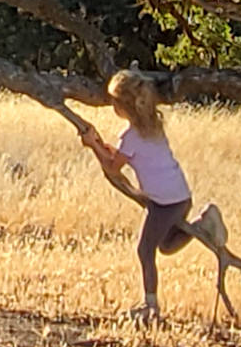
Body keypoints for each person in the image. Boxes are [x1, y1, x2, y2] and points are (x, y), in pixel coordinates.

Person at [75, 69, 199, 322]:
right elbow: (123, 155)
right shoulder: (154, 126)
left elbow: (112, 167)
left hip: (164, 203)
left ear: (123, 106)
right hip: (179, 196)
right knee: (165, 245)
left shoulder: (131, 137)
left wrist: (92, 146)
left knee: (145, 250)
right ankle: (202, 225)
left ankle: (150, 306)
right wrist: (99, 144)